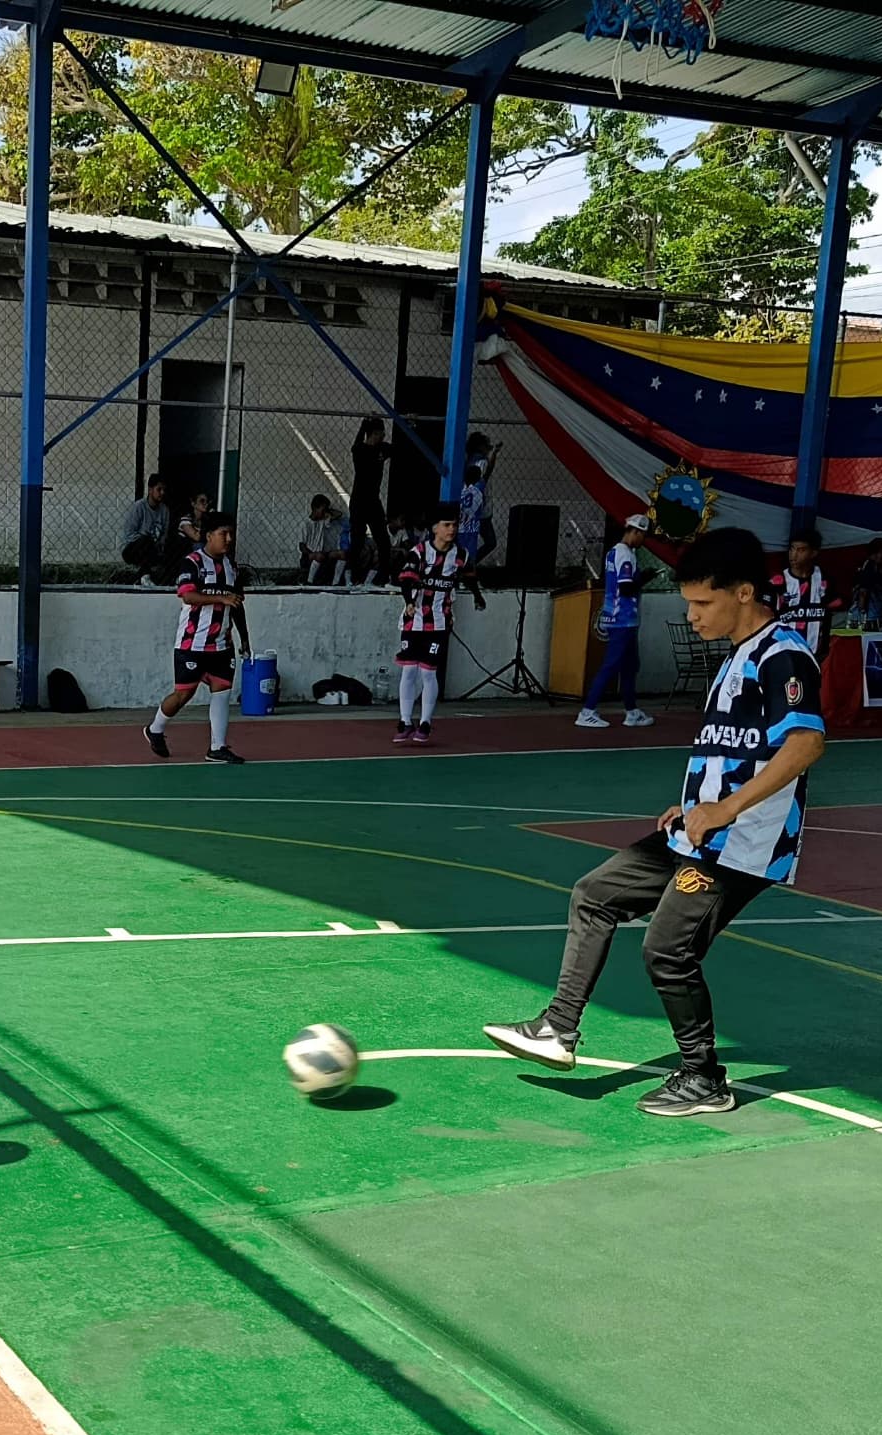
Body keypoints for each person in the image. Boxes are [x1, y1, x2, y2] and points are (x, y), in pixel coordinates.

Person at [482, 525, 824, 1119]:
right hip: (700, 830)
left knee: (667, 950)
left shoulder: (783, 655)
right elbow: (734, 747)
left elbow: (805, 743)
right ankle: (558, 1027)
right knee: (596, 895)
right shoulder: (738, 654)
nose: (692, 615)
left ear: (744, 593)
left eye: (702, 603)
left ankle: (704, 1078)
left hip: (741, 843)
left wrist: (724, 809)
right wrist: (694, 803)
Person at [146, 509, 250, 765]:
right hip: (192, 643)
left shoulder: (232, 567)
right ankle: (155, 729)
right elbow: (188, 596)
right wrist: (221, 598)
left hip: (222, 644)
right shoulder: (192, 562)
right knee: (183, 694)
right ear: (209, 535)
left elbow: (236, 604)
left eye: (231, 534)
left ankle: (217, 747)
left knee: (222, 691)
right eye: (223, 534)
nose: (229, 539)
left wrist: (245, 639)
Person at [391, 501, 479, 745]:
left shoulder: (460, 555)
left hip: (439, 623)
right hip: (414, 621)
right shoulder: (419, 552)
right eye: (447, 525)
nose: (452, 529)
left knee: (428, 672)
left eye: (454, 525)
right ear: (435, 528)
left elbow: (470, 576)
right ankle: (404, 721)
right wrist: (409, 602)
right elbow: (406, 579)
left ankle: (425, 723)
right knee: (409, 670)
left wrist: (478, 596)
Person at [576, 512, 656, 730]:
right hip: (622, 619)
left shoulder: (613, 552)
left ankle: (632, 712)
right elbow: (626, 587)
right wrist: (645, 578)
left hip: (621, 618)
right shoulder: (625, 555)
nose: (643, 540)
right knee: (611, 665)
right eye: (643, 535)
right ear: (635, 532)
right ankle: (587, 711)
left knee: (630, 666)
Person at [770, 527, 837, 659]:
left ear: (813, 553)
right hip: (784, 654)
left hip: (816, 655)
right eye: (792, 549)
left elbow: (832, 609)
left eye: (800, 550)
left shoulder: (824, 579)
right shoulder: (778, 582)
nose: (793, 555)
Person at [348, 418, 393, 582]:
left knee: (383, 541)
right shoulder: (360, 450)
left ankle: (383, 575)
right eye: (381, 433)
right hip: (359, 501)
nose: (383, 436)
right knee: (357, 540)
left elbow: (396, 447)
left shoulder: (382, 449)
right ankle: (353, 576)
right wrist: (364, 424)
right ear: (374, 433)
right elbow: (357, 443)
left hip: (373, 501)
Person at [121, 475, 172, 580]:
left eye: (164, 490)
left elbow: (164, 534)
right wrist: (147, 540)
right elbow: (129, 534)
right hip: (134, 549)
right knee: (146, 540)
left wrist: (159, 546)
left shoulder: (164, 510)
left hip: (154, 549)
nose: (162, 493)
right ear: (150, 490)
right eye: (159, 489)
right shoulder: (139, 507)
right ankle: (145, 575)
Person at [300, 494, 350, 586]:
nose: (324, 513)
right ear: (315, 508)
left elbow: (338, 514)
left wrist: (328, 510)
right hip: (309, 554)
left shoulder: (323, 521)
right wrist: (310, 554)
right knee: (319, 556)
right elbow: (301, 545)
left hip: (323, 552)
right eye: (322, 510)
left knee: (342, 554)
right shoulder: (306, 524)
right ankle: (309, 581)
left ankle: (335, 583)